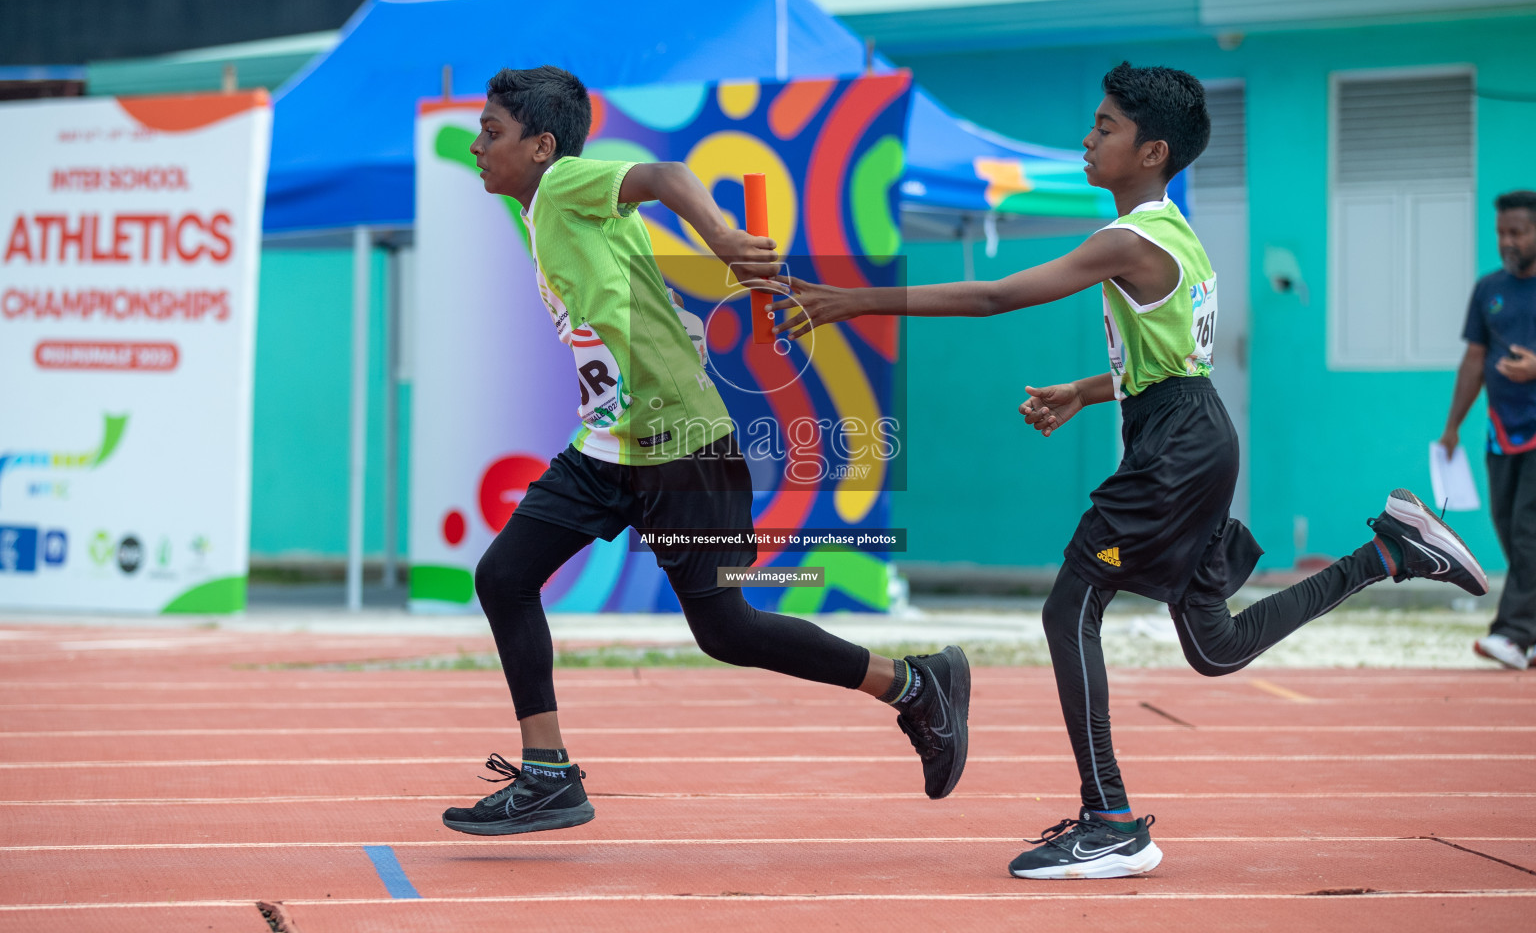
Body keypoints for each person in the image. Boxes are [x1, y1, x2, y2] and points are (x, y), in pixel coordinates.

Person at [766, 62, 1488, 879]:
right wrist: (1083, 389)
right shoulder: (1173, 234)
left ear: (1153, 150)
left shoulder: (1131, 238)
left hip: (1177, 447)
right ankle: (1388, 552)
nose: (1087, 136)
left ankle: (1109, 818)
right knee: (1213, 647)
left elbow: (998, 296)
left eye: (1105, 126)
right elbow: (1171, 363)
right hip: (1186, 434)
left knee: (1071, 604)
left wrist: (850, 301)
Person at [440, 66, 969, 837]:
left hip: (682, 443)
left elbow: (665, 172)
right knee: (505, 576)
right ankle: (549, 774)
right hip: (610, 446)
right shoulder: (545, 210)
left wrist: (721, 236)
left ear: (542, 146)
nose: (477, 145)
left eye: (492, 133)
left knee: (727, 630)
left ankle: (915, 685)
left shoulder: (561, 187)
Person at [1440, 190, 1536, 671]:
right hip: (1503, 432)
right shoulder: (1488, 290)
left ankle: (1513, 634)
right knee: (1507, 525)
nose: (1507, 241)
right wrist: (1453, 425)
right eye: (1501, 232)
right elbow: (1474, 359)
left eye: (1517, 232)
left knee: (1527, 531)